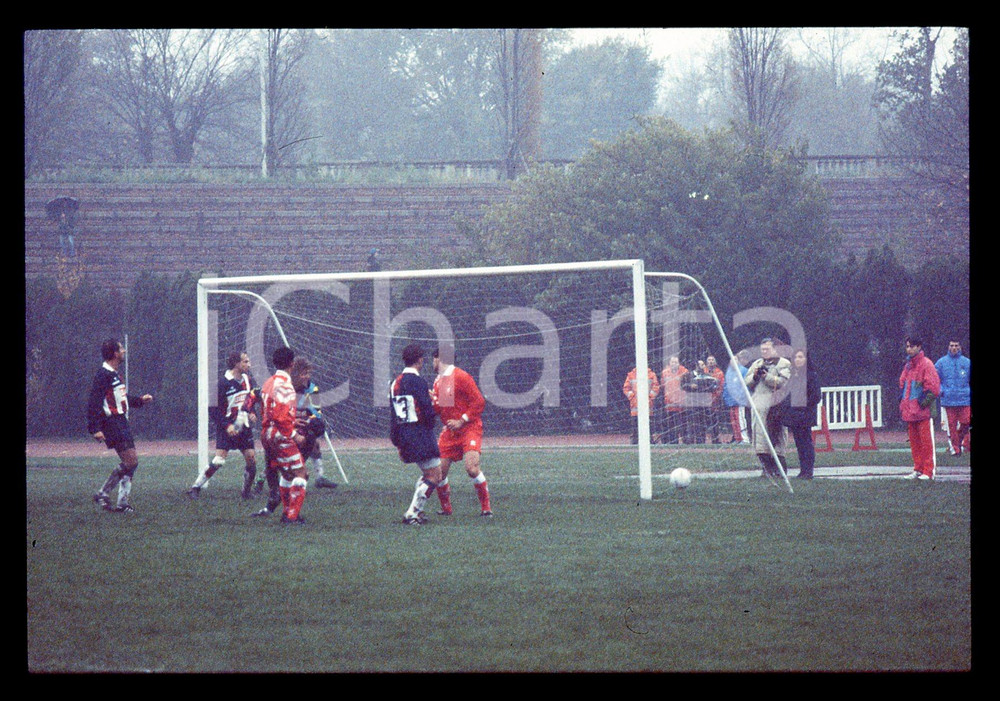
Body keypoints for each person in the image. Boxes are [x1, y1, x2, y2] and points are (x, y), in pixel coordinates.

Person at [87, 338, 154, 513]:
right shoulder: (103, 374)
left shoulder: (114, 373)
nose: (124, 351)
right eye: (121, 349)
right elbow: (94, 403)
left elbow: (121, 399)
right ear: (115, 354)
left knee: (132, 462)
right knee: (131, 461)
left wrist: (139, 400)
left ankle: (122, 503)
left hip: (121, 421)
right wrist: (95, 428)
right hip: (112, 423)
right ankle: (104, 492)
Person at [187, 350, 258, 499]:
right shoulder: (223, 383)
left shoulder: (247, 380)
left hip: (243, 427)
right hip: (228, 428)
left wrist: (252, 413)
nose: (248, 364)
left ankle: (246, 491)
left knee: (251, 459)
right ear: (236, 364)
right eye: (245, 361)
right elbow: (213, 410)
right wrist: (227, 426)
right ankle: (196, 487)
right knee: (219, 460)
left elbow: (250, 401)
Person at [430, 346, 493, 517]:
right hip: (450, 431)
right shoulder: (439, 380)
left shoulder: (461, 376)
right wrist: (432, 400)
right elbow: (442, 409)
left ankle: (486, 509)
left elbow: (479, 402)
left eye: (433, 359)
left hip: (469, 428)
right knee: (438, 474)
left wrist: (462, 420)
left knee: (471, 468)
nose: (432, 363)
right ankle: (446, 509)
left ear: (439, 359)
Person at [251, 346, 310, 523]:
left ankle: (288, 512)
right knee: (301, 473)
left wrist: (292, 422)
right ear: (291, 364)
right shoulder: (285, 385)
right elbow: (280, 415)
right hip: (280, 435)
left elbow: (269, 411)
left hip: (267, 434)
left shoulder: (268, 382)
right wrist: (293, 433)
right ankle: (291, 516)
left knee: (287, 474)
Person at [390, 344, 442, 524]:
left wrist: (396, 441)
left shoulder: (395, 383)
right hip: (420, 434)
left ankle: (416, 511)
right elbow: (427, 412)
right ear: (420, 359)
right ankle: (412, 512)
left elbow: (394, 414)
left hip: (404, 435)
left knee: (428, 474)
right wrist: (434, 405)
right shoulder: (418, 382)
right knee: (435, 475)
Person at [744, 338, 792, 477]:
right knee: (759, 438)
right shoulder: (757, 363)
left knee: (776, 437)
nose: (764, 352)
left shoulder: (784, 363)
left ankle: (779, 469)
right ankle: (766, 469)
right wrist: (755, 376)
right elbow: (747, 382)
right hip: (758, 405)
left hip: (775, 406)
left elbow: (784, 382)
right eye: (762, 349)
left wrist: (767, 376)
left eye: (767, 349)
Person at [289, 356, 338, 490]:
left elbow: (317, 412)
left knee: (315, 444)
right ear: (295, 374)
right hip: (288, 426)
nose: (307, 376)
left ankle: (320, 478)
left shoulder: (312, 389)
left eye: (309, 373)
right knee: (280, 454)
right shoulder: (287, 388)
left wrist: (310, 421)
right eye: (304, 373)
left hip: (303, 424)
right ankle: (262, 479)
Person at [899, 337, 941, 480]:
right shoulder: (908, 366)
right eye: (907, 346)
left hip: (923, 412)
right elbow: (903, 384)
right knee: (915, 442)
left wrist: (922, 404)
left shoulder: (927, 364)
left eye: (911, 346)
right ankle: (918, 468)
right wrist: (903, 402)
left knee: (926, 442)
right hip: (910, 412)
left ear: (919, 347)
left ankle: (929, 471)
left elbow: (933, 388)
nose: (909, 349)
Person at [778, 348, 822, 480]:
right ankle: (803, 471)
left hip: (805, 415)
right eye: (795, 357)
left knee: (806, 443)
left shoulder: (811, 375)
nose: (798, 360)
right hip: (795, 415)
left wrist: (801, 404)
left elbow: (816, 396)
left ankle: (808, 471)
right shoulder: (793, 375)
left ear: (806, 359)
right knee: (799, 443)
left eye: (801, 357)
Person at [934, 339, 971, 456]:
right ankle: (956, 449)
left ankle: (958, 441)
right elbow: (935, 379)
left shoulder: (966, 362)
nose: (954, 348)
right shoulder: (941, 363)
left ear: (960, 347)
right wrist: (941, 390)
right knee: (952, 426)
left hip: (964, 398)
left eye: (956, 345)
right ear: (948, 347)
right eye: (951, 345)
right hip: (949, 399)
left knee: (966, 421)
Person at [680, 360, 718, 443]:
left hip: (703, 403)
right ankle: (689, 441)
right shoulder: (688, 375)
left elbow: (713, 386)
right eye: (701, 365)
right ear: (697, 366)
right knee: (692, 422)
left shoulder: (707, 376)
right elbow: (682, 386)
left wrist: (704, 389)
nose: (703, 366)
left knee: (702, 423)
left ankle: (700, 441)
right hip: (691, 403)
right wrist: (690, 386)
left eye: (703, 364)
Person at [623, 366, 660, 444]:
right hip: (635, 406)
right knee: (635, 426)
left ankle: (649, 440)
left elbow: (656, 387)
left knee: (648, 425)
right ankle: (634, 441)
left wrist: (649, 397)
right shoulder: (631, 375)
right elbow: (626, 388)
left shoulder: (651, 375)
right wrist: (633, 397)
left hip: (647, 406)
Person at [723, 352, 751, 444]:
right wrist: (725, 397)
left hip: (740, 401)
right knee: (734, 420)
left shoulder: (743, 371)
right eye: (732, 359)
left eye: (735, 359)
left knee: (741, 419)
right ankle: (737, 438)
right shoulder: (729, 372)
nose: (733, 361)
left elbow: (746, 385)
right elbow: (726, 386)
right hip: (731, 401)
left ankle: (745, 438)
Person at [659, 356, 688, 444]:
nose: (674, 364)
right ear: (669, 363)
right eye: (672, 362)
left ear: (679, 363)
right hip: (669, 403)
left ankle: (685, 441)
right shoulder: (664, 373)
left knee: (683, 424)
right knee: (670, 424)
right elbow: (662, 385)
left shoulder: (684, 372)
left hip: (681, 404)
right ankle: (672, 441)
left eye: (676, 362)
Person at [704, 355, 726, 444]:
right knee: (704, 421)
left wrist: (716, 396)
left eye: (712, 360)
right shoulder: (703, 371)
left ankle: (716, 439)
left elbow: (721, 385)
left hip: (715, 400)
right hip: (704, 400)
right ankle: (701, 439)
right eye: (709, 360)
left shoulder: (719, 373)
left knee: (715, 421)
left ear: (715, 362)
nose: (711, 361)